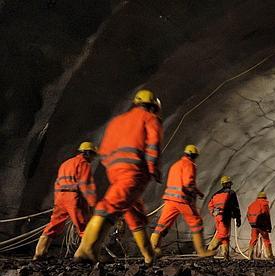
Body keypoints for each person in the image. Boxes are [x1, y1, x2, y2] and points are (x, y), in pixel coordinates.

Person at [73, 89, 162, 265]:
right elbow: (153, 145)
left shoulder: (117, 121)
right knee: (109, 206)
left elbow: (104, 150)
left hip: (115, 171)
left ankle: (149, 255)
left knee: (135, 215)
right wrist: (153, 168)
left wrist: (114, 167)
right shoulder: (150, 119)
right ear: (152, 106)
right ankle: (86, 250)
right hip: (134, 170)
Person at [33, 142, 98, 260]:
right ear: (88, 153)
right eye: (93, 155)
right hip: (73, 197)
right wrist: (93, 204)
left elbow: (57, 182)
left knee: (54, 225)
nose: (94, 159)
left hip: (60, 197)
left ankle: (39, 253)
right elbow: (86, 185)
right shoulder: (83, 163)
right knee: (84, 226)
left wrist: (58, 199)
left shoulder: (65, 163)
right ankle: (83, 255)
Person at [150, 145, 213, 257]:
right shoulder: (189, 164)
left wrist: (198, 192)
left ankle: (153, 249)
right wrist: (195, 193)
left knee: (162, 224)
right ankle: (201, 251)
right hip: (182, 199)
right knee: (196, 222)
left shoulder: (175, 165)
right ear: (194, 155)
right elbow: (188, 183)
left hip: (170, 199)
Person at [207, 176, 241, 260]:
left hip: (217, 217)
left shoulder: (215, 194)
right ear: (228, 183)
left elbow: (210, 205)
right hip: (225, 217)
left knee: (225, 237)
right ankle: (209, 251)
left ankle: (226, 255)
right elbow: (235, 206)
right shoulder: (231, 193)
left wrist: (214, 213)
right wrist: (238, 218)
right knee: (223, 234)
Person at [246, 191, 274, 260]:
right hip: (262, 226)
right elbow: (267, 215)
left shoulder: (252, 204)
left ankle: (250, 255)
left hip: (254, 225)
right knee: (266, 240)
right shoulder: (264, 204)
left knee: (253, 239)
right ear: (265, 197)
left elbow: (248, 215)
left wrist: (252, 223)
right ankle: (270, 256)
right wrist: (269, 227)